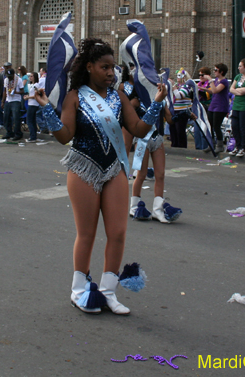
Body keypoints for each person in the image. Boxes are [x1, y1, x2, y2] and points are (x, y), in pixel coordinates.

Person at [34, 38, 166, 315]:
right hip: (83, 167)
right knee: (87, 233)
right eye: (105, 67)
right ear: (90, 67)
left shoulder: (118, 96)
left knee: (118, 232)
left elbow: (139, 129)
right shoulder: (74, 97)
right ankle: (79, 289)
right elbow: (64, 136)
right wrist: (47, 108)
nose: (110, 73)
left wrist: (156, 104)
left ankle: (107, 291)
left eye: (113, 67)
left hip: (114, 167)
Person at [130, 94, 180, 223]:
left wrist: (183, 115)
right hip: (142, 139)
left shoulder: (161, 99)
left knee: (160, 174)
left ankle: (157, 209)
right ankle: (134, 205)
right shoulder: (137, 99)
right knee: (141, 174)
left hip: (156, 138)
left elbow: (170, 119)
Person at [228, 59, 245, 157]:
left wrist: (238, 91)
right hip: (236, 105)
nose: (239, 68)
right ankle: (237, 146)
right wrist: (239, 91)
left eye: (240, 66)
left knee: (242, 127)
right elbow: (231, 89)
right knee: (234, 126)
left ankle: (243, 147)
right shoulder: (237, 77)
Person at [203, 63, 230, 153]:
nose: (214, 72)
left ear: (221, 72)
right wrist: (202, 88)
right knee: (210, 125)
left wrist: (210, 80)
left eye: (216, 70)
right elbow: (212, 91)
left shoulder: (224, 82)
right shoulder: (217, 80)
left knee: (216, 126)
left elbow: (215, 90)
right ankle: (211, 144)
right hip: (213, 105)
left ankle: (220, 145)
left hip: (221, 107)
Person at [169, 69, 193, 149]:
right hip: (174, 110)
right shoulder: (178, 86)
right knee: (173, 129)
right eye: (177, 76)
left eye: (179, 75)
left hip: (182, 111)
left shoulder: (187, 86)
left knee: (180, 130)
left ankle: (181, 147)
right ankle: (174, 145)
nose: (177, 78)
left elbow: (179, 95)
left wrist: (173, 87)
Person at [2, 67, 24, 141]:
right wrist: (3, 101)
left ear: (13, 75)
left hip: (16, 100)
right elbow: (5, 91)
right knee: (6, 117)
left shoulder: (18, 80)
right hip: (8, 100)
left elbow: (22, 91)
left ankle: (18, 133)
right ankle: (9, 132)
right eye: (8, 77)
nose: (9, 78)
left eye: (11, 76)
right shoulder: (6, 80)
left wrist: (16, 92)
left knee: (16, 118)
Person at [194, 67, 212, 151]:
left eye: (202, 75)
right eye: (199, 75)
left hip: (206, 107)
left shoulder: (210, 84)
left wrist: (198, 90)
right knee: (197, 128)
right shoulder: (198, 84)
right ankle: (198, 147)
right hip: (198, 107)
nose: (200, 77)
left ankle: (204, 146)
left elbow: (207, 95)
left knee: (204, 128)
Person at [24, 72, 40, 142]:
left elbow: (36, 95)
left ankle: (32, 136)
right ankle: (34, 135)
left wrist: (28, 97)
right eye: (30, 76)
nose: (30, 78)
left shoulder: (36, 85)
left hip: (33, 104)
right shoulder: (32, 85)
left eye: (31, 76)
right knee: (33, 120)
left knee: (29, 120)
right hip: (31, 103)